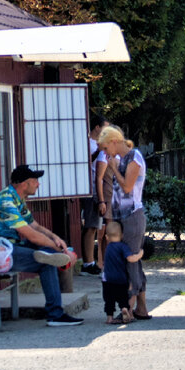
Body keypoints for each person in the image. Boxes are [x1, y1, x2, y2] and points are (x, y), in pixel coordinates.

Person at [0, 164, 84, 326]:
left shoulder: (16, 198)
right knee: (47, 261)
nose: (38, 184)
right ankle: (55, 315)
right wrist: (56, 247)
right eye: (35, 181)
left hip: (9, 247)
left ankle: (56, 259)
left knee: (48, 253)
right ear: (25, 183)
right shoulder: (6, 200)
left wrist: (56, 239)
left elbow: (35, 226)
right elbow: (30, 234)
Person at [98, 124, 151, 319]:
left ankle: (128, 307)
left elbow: (128, 187)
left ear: (113, 142)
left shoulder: (134, 157)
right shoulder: (120, 158)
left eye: (105, 148)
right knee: (132, 261)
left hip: (132, 216)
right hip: (122, 217)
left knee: (130, 261)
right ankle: (141, 308)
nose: (105, 153)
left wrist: (113, 168)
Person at [79, 115, 110, 275]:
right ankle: (88, 263)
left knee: (94, 226)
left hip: (97, 189)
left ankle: (91, 261)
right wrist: (98, 149)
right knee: (90, 226)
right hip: (89, 187)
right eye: (105, 128)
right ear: (97, 128)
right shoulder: (88, 143)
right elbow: (85, 161)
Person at [101, 219, 144, 324]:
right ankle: (124, 309)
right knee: (123, 297)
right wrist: (140, 254)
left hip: (106, 279)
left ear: (107, 237)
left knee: (109, 300)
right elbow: (130, 259)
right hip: (120, 278)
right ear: (122, 236)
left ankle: (109, 318)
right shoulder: (122, 247)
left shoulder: (108, 248)